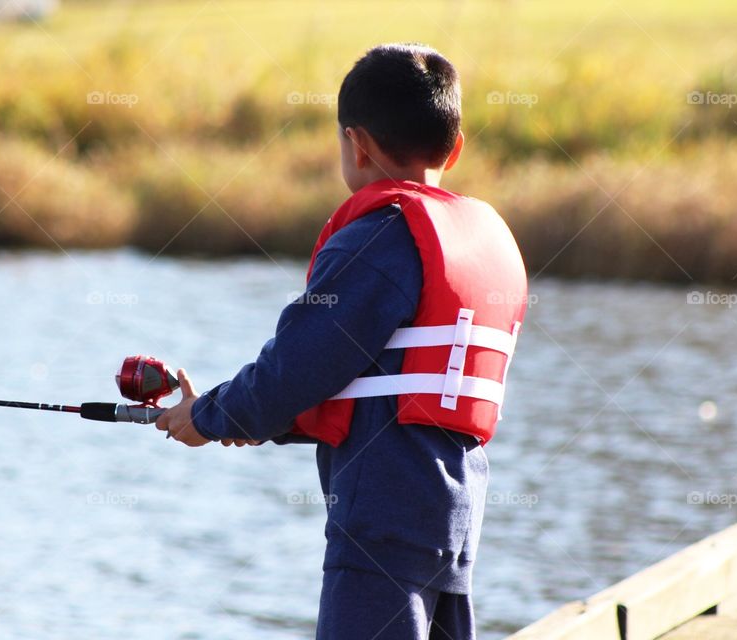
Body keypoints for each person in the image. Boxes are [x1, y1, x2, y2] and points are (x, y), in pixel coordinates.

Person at [157, 43, 528, 640]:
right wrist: (248, 418)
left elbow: (299, 364)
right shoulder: (477, 239)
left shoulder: (380, 236)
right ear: (455, 148)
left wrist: (206, 415)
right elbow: (370, 379)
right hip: (453, 517)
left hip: (381, 518)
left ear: (356, 144)